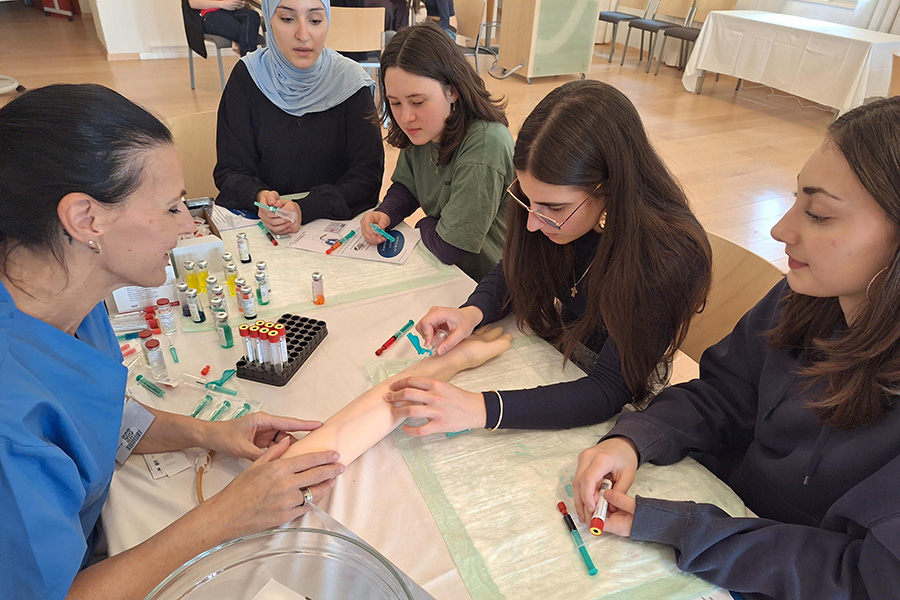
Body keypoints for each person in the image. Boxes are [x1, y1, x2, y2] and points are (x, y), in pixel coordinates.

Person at [0, 84, 344, 600]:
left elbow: (98, 412)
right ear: (85, 219)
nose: (188, 227)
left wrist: (210, 434)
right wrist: (225, 517)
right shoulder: (11, 427)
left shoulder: (66, 295)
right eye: (172, 208)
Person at [572, 97, 900, 599]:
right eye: (795, 201)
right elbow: (722, 395)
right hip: (727, 528)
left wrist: (684, 529)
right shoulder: (806, 297)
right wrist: (634, 439)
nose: (780, 229)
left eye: (818, 213)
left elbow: (862, 578)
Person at [385, 79, 712, 436]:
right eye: (527, 199)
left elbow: (609, 389)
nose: (532, 223)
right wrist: (472, 311)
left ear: (608, 188)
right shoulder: (550, 209)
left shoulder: (667, 253)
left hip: (615, 388)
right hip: (560, 352)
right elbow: (515, 271)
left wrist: (481, 408)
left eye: (553, 208)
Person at [214, 0, 384, 235]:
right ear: (269, 20)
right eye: (287, 19)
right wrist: (259, 197)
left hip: (335, 230)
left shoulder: (350, 82)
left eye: (315, 21)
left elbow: (367, 177)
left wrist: (305, 209)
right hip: (265, 227)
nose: (303, 35)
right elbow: (231, 169)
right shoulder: (248, 77)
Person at [359, 23, 513, 282]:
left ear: (452, 90)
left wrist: (423, 225)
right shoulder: (426, 130)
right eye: (394, 103)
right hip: (446, 271)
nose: (406, 117)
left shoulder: (486, 144)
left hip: (485, 284)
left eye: (418, 102)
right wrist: (386, 212)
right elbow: (408, 186)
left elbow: (451, 246)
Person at [187, 0, 262, 56]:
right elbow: (193, 3)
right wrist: (222, 4)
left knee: (252, 15)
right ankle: (250, 64)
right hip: (211, 14)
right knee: (246, 32)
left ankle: (248, 64)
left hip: (233, 10)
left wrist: (238, 3)